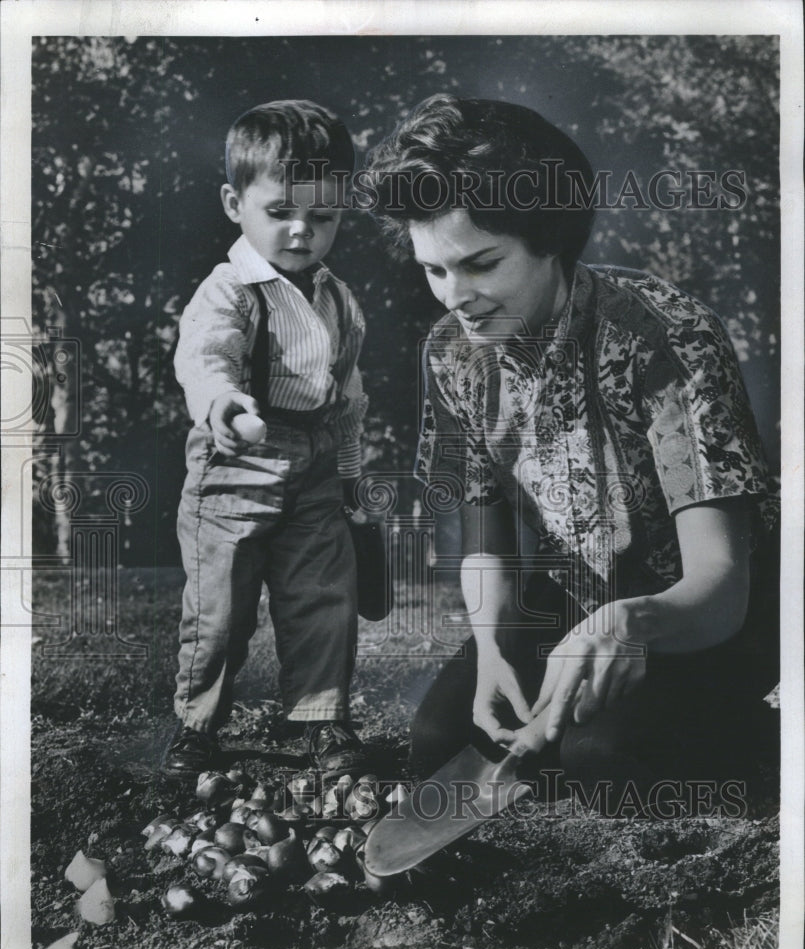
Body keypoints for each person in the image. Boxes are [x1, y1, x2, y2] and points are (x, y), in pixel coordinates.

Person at [364, 94, 779, 803]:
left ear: (550, 237)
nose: (454, 297)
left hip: (709, 610)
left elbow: (719, 582)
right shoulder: (451, 354)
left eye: (481, 264)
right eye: (434, 271)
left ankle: (769, 735)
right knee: (440, 742)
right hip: (573, 600)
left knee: (601, 757)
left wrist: (627, 624)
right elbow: (484, 533)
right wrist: (493, 650)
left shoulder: (664, 336)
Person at [162, 100, 373, 780]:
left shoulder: (339, 301)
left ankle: (319, 717)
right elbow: (206, 354)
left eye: (323, 216)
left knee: (323, 595)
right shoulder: (229, 291)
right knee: (219, 608)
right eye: (280, 210)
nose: (300, 230)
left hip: (313, 460)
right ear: (234, 202)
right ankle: (197, 724)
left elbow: (349, 394)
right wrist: (219, 401)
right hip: (235, 460)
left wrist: (347, 471)